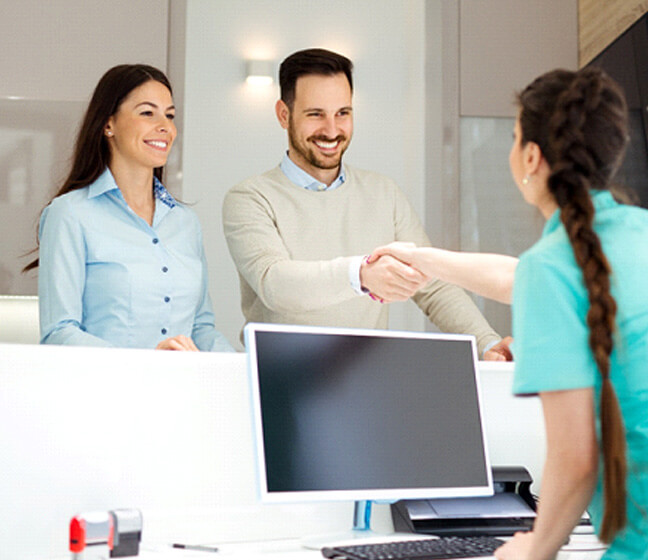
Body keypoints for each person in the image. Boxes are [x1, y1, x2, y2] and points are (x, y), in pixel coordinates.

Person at [371, 67, 648, 559]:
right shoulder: (633, 234)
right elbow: (516, 277)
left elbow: (576, 458)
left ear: (531, 157)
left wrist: (535, 547)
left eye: (515, 136)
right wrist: (424, 259)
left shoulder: (554, 266)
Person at [222, 48, 510, 359]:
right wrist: (360, 274)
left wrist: (487, 343)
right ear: (283, 115)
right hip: (278, 379)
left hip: (365, 378)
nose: (332, 130)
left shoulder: (384, 193)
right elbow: (275, 284)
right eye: (316, 114)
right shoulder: (250, 198)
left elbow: (433, 286)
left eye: (343, 113)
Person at [26, 64, 233, 352]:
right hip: (108, 392)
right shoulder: (70, 213)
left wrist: (241, 368)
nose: (165, 126)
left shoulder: (185, 222)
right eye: (147, 112)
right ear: (108, 124)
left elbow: (200, 327)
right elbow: (60, 332)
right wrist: (144, 364)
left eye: (169, 115)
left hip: (182, 392)